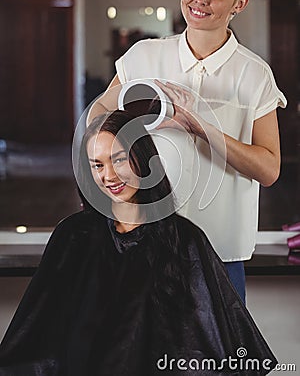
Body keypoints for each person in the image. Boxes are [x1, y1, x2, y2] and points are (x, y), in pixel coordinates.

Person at [0, 110, 277, 375]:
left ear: (143, 159)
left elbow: (208, 345)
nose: (109, 176)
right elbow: (39, 335)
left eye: (119, 160)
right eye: (98, 165)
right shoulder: (73, 236)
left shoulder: (185, 240)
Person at [88, 0, 287, 302]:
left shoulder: (254, 74)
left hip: (220, 249)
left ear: (239, 3)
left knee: (219, 358)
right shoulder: (143, 57)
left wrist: (198, 127)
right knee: (140, 356)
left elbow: (269, 168)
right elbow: (97, 123)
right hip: (143, 239)